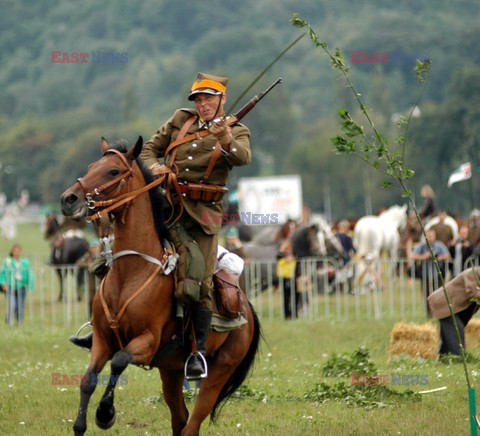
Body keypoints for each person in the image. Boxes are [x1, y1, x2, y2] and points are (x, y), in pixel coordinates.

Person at [140, 72, 251, 379]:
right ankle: (103, 330)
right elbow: (148, 150)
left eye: (208, 99)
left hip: (203, 216)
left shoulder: (237, 130)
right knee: (120, 252)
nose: (202, 105)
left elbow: (242, 157)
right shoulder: (181, 120)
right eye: (198, 99)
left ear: (222, 99)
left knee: (198, 282)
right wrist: (157, 167)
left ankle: (197, 354)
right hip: (167, 207)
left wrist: (224, 137)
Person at [428, 266, 480, 356]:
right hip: (443, 303)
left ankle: (444, 355)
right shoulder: (472, 273)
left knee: (448, 333)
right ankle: (459, 357)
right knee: (457, 330)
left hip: (452, 307)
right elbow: (472, 292)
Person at [410, 229, 451, 304]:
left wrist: (440, 257)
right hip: (425, 275)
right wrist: (423, 256)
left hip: (438, 275)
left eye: (432, 235)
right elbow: (412, 256)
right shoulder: (421, 246)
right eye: (428, 236)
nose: (430, 237)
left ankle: (438, 312)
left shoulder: (440, 245)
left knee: (439, 294)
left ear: (435, 236)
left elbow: (448, 256)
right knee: (426, 294)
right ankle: (428, 313)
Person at [0, 244, 35, 325]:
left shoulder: (25, 263)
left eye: (18, 251)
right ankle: (9, 321)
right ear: (12, 252)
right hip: (10, 287)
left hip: (21, 287)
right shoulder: (8, 262)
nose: (17, 253)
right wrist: (3, 284)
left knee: (20, 306)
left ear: (21, 252)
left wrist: (31, 286)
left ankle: (20, 322)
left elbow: (30, 274)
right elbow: (2, 273)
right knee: (12, 305)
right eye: (15, 251)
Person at [276, 239, 297, 319]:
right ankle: (286, 314)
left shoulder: (294, 254)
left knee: (295, 296)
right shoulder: (281, 256)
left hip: (293, 277)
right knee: (286, 297)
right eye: (286, 248)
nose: (288, 250)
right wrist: (282, 250)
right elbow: (278, 256)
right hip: (285, 277)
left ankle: (294, 313)